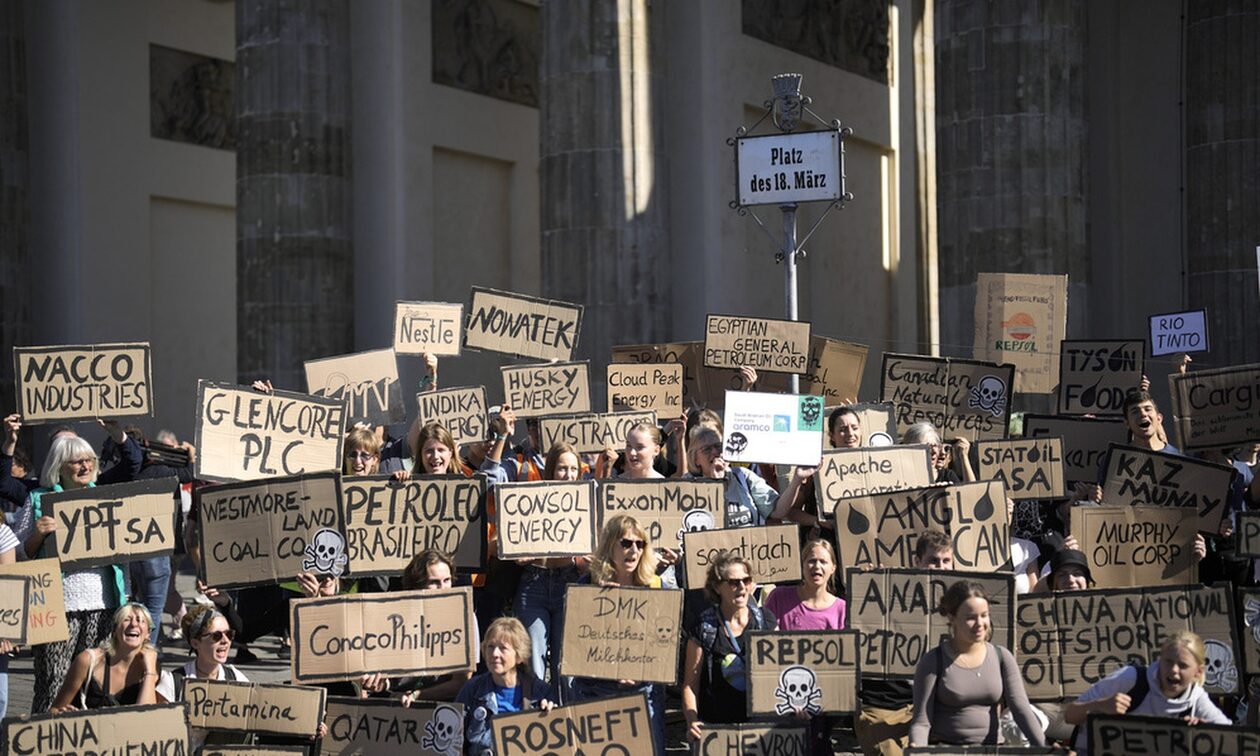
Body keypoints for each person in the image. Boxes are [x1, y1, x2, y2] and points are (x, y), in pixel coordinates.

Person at [15, 430, 140, 713]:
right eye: (76, 462)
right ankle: (44, 742)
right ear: (59, 467)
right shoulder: (38, 500)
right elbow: (19, 554)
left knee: (95, 683)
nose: (85, 466)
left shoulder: (105, 498)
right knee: (54, 681)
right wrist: (37, 535)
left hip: (104, 605)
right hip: (57, 609)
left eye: (89, 460)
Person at [569, 514, 671, 752]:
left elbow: (665, 644)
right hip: (594, 692)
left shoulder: (656, 587)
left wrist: (642, 673)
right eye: (625, 543)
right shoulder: (586, 586)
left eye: (640, 544)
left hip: (642, 693)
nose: (633, 550)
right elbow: (574, 645)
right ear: (609, 546)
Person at [909, 581, 1044, 747]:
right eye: (971, 618)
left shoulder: (1002, 657)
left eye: (984, 615)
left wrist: (1045, 748)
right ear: (952, 618)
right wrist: (917, 748)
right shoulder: (933, 661)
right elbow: (922, 722)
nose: (980, 624)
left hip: (992, 749)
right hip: (947, 749)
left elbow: (1021, 710)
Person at [854, 529, 953, 756]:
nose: (941, 567)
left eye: (946, 561)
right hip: (885, 705)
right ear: (917, 561)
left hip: (935, 708)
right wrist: (868, 585)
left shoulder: (960, 605)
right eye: (933, 561)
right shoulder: (887, 593)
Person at [1064, 630, 1229, 755]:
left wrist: (1207, 733)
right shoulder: (1131, 678)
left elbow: (1233, 741)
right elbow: (1069, 715)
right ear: (1159, 659)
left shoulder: (1197, 701)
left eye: (1183, 665)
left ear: (1198, 672)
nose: (1173, 671)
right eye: (1168, 662)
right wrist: (1101, 706)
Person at [682, 552, 777, 743]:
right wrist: (692, 720)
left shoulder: (766, 621)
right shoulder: (703, 628)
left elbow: (780, 673)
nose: (741, 587)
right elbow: (690, 685)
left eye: (746, 580)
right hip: (717, 728)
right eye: (733, 582)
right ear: (717, 587)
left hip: (758, 726)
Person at [456, 617, 555, 756]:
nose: (495, 654)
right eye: (490, 646)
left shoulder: (540, 693)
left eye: (503, 648)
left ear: (519, 655)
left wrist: (552, 714)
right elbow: (453, 739)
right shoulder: (473, 689)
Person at [155, 605, 249, 749]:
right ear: (195, 643)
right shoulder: (173, 682)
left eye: (229, 634)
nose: (225, 641)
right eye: (216, 636)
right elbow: (158, 733)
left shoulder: (235, 677)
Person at [392, 549, 478, 703]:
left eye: (447, 580)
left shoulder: (465, 617)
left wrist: (416, 695)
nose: (443, 588)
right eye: (434, 582)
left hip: (444, 705)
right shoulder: (394, 618)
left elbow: (461, 682)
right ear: (416, 584)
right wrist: (377, 685)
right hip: (395, 701)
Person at [49, 603, 159, 713]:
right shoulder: (88, 660)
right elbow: (53, 711)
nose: (134, 624)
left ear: (148, 633)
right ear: (115, 630)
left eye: (140, 621)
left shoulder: (150, 665)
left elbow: (147, 717)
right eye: (126, 619)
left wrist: (149, 672)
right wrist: (64, 713)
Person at [765, 539, 845, 630]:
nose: (817, 566)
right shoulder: (779, 598)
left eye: (823, 562)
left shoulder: (842, 610)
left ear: (833, 568)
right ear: (802, 565)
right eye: (812, 561)